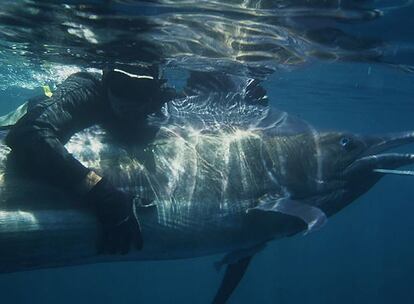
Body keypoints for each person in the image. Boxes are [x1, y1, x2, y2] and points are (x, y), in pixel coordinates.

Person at [5, 65, 177, 255]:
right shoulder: (85, 90)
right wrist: (100, 191)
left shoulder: (161, 99)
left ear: (155, 90)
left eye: (141, 90)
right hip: (34, 114)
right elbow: (27, 134)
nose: (129, 102)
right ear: (106, 80)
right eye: (122, 88)